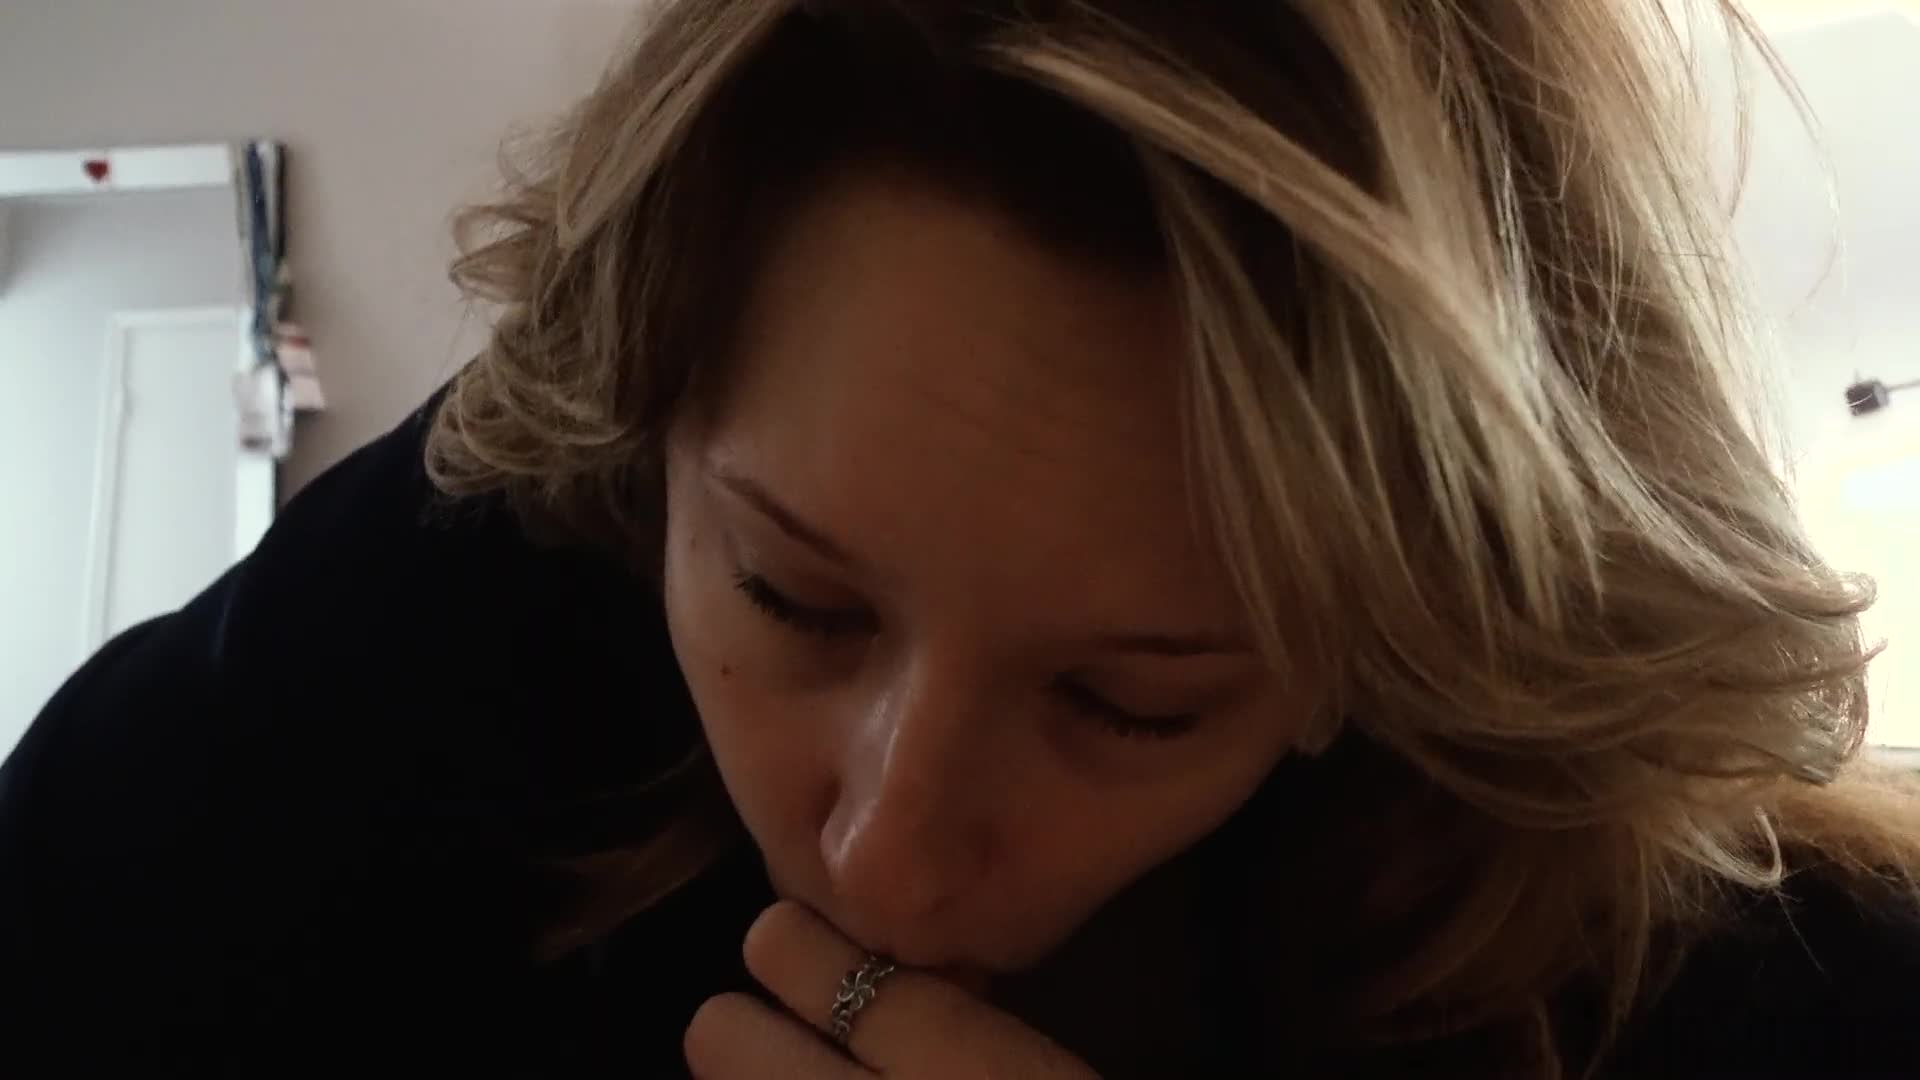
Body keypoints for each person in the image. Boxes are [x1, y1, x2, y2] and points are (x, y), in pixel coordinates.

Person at [4, 0, 1919, 1075]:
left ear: (1393, 655)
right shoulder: (403, 676)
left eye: (1130, 702)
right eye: (790, 597)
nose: (890, 851)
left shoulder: (1776, 1001)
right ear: (650, 455)